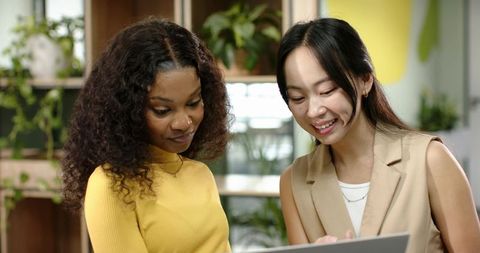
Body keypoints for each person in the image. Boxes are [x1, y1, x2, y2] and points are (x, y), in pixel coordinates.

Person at [276, 17, 480, 253]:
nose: (313, 111)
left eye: (327, 90)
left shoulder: (430, 159)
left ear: (365, 80)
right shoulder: (294, 182)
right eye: (298, 98)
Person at [61, 18, 231, 253]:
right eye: (163, 110)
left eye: (193, 102)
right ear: (127, 109)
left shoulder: (200, 174)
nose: (184, 122)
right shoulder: (111, 186)